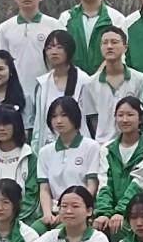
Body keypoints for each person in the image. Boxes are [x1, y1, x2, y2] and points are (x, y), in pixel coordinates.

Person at [92, 97, 143, 242]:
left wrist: (121, 212)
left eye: (130, 115)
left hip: (139, 211)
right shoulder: (107, 148)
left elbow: (140, 183)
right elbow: (104, 182)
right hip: (110, 210)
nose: (124, 119)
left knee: (119, 228)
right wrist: (104, 213)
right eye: (120, 115)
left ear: (141, 118)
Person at [35, 97, 101, 232]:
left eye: (64, 115)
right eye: (54, 116)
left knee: (60, 233)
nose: (58, 121)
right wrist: (47, 213)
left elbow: (92, 184)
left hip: (78, 212)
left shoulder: (91, 147)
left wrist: (70, 210)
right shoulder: (45, 152)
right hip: (54, 211)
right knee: (34, 230)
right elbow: (44, 188)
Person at [0, 0, 60, 96]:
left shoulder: (54, 25)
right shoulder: (5, 28)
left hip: (48, 90)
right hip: (16, 91)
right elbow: (1, 62)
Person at [83, 26, 143, 145]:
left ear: (125, 48)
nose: (109, 46)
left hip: (134, 144)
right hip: (103, 145)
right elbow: (92, 118)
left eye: (114, 42)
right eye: (105, 43)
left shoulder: (139, 80)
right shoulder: (90, 84)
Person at [57, 0, 127, 75]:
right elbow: (61, 52)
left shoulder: (116, 18)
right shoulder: (66, 18)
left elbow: (121, 53)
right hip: (74, 81)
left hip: (106, 80)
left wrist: (97, 77)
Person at [30, 30, 91, 149]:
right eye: (49, 48)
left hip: (79, 146)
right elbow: (38, 122)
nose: (54, 52)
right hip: (49, 146)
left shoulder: (84, 81)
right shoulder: (43, 83)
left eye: (59, 47)